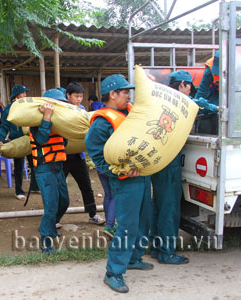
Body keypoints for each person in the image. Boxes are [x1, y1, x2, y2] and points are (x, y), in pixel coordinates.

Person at [86, 75, 153, 293]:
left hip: (141, 176)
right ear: (112, 95)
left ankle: (133, 258)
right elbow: (95, 152)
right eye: (125, 92)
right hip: (125, 182)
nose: (128, 96)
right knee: (126, 227)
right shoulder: (102, 122)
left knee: (143, 220)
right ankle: (113, 272)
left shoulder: (129, 112)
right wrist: (118, 172)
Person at [148, 70, 193, 265]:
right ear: (183, 85)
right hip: (170, 163)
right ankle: (167, 252)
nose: (191, 90)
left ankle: (156, 247)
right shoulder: (180, 104)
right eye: (190, 86)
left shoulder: (163, 100)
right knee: (169, 208)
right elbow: (203, 106)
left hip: (159, 161)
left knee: (158, 206)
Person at [29, 89, 69, 253]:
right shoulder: (35, 122)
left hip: (58, 166)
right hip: (44, 169)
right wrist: (46, 118)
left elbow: (63, 142)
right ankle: (45, 241)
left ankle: (50, 226)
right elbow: (41, 139)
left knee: (64, 202)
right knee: (51, 206)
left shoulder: (59, 123)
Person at [64, 82, 105, 225]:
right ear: (68, 95)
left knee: (86, 186)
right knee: (59, 188)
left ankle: (92, 214)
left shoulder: (82, 110)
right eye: (76, 96)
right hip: (63, 157)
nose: (79, 99)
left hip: (78, 157)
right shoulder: (61, 110)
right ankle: (54, 218)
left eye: (81, 96)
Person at [0, 84, 39, 200]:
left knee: (35, 163)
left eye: (25, 93)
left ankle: (35, 186)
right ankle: (19, 191)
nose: (24, 95)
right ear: (15, 96)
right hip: (17, 141)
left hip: (30, 139)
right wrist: (1, 140)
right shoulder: (9, 109)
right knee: (19, 166)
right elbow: (4, 126)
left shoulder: (29, 106)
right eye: (22, 93)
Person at [194, 50, 220, 134]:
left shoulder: (240, 68)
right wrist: (196, 107)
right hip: (214, 93)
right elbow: (202, 90)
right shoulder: (210, 68)